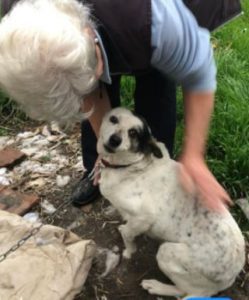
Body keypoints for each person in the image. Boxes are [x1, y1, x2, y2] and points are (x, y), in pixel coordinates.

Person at [0, 0, 241, 210]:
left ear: (88, 33)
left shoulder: (155, 21)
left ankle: (155, 172)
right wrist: (105, 151)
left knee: (156, 83)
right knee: (76, 78)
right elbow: (75, 82)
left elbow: (198, 72)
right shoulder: (18, 13)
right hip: (101, 31)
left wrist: (194, 155)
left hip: (144, 21)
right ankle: (97, 166)